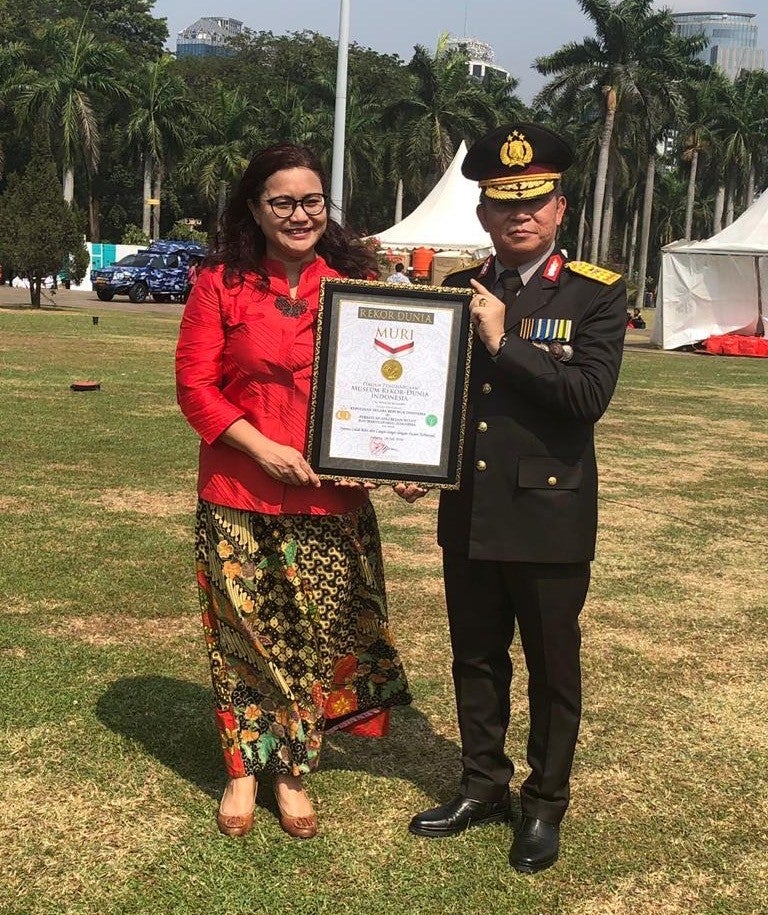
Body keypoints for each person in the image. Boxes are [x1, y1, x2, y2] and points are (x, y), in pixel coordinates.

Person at [399, 123, 626, 872]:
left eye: (533, 200)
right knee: (476, 657)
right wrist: (414, 458)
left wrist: (504, 341)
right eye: (502, 203)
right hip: (469, 506)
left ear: (560, 207)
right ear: (483, 214)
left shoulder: (595, 292)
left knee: (553, 667)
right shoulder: (456, 290)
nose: (518, 215)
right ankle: (482, 784)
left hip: (549, 514)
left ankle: (545, 802)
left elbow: (586, 395)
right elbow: (436, 396)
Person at [175, 144, 411, 841]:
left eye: (312, 201)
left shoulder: (357, 282)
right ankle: (244, 767)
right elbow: (195, 387)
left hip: (330, 499)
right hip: (238, 489)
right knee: (242, 636)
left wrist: (400, 457)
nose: (299, 214)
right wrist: (262, 446)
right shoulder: (219, 281)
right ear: (254, 208)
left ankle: (292, 770)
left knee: (313, 637)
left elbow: (392, 384)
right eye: (282, 201)